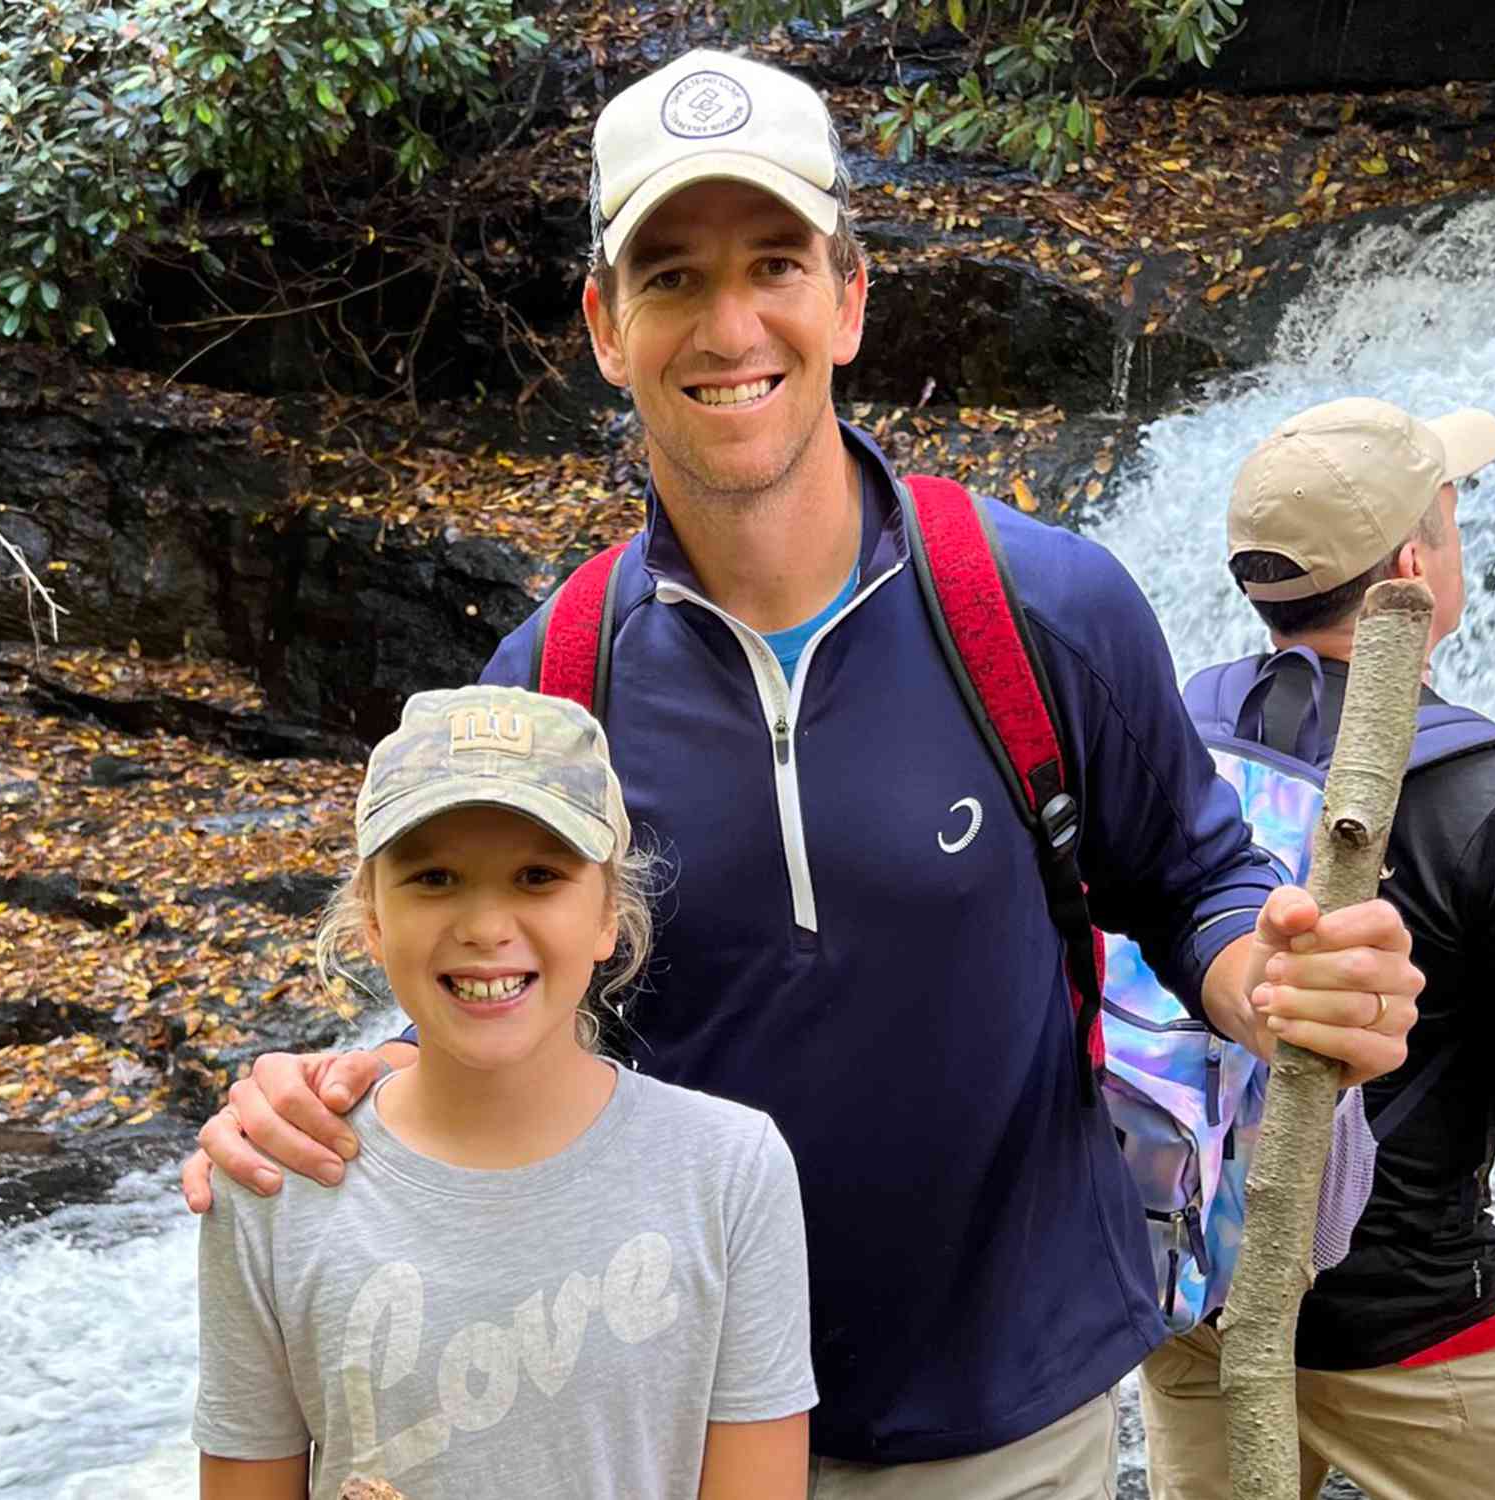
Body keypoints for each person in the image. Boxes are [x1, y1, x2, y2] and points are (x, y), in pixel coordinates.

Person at [185, 50, 1425, 1495]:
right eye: (669, 277)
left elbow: (1190, 876)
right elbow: (503, 995)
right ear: (603, 323)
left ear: (847, 297)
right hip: (663, 1414)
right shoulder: (552, 681)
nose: (729, 325)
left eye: (775, 262)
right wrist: (338, 1092)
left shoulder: (1044, 613)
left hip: (1009, 1412)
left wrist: (1276, 984)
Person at [1137, 397, 1495, 1498]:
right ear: (1412, 563)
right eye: (1449, 516)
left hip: (1195, 1290)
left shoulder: (1169, 733)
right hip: (1416, 1332)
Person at [195, 685, 816, 1500]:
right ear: (372, 921)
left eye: (536, 876)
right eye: (435, 876)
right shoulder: (277, 1182)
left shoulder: (730, 1171)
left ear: (609, 919)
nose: (486, 925)